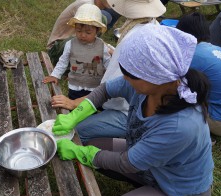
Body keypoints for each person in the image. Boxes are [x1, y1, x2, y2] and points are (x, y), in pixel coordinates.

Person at [53, 24, 214, 196]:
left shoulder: (180, 126)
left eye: (130, 75)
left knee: (93, 153)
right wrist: (75, 116)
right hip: (153, 167)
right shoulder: (148, 86)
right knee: (94, 147)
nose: (125, 79)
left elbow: (126, 163)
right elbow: (105, 90)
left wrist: (82, 154)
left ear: (154, 77)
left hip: (176, 189)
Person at [51, 0, 166, 143]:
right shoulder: (151, 24)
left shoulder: (135, 40)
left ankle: (105, 153)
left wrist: (75, 104)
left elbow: (111, 88)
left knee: (77, 131)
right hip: (136, 103)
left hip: (128, 111)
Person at [43, 4, 111, 100]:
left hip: (94, 87)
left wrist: (109, 79)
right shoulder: (71, 44)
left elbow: (108, 63)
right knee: (73, 104)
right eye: (79, 31)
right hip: (75, 86)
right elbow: (63, 61)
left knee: (90, 107)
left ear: (97, 31)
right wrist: (55, 75)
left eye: (88, 32)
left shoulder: (101, 46)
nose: (83, 35)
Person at [176, 12, 221, 137]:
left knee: (179, 99)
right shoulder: (217, 49)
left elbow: (174, 83)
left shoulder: (192, 55)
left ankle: (203, 136)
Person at [47, 0, 113, 66]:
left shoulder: (93, 7)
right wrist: (109, 50)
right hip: (57, 48)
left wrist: (109, 48)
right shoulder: (87, 8)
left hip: (73, 40)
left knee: (103, 19)